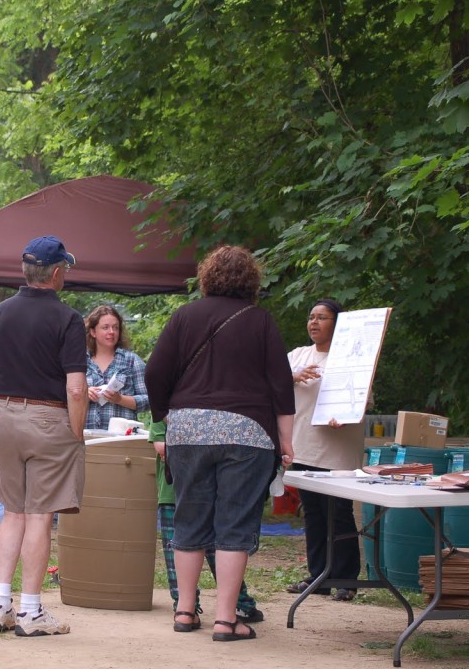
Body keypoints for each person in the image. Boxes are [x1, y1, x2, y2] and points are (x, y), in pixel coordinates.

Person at [145, 244, 294, 642]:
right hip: (248, 433)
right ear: (251, 279)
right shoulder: (260, 320)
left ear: (207, 277)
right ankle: (227, 620)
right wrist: (287, 442)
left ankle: (184, 612)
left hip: (189, 430)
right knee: (235, 523)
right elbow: (282, 387)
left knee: (189, 517)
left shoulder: (184, 316)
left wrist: (167, 416)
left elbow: (155, 372)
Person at [0, 235, 87, 638]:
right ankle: (32, 610)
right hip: (49, 418)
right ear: (56, 273)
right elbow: (76, 388)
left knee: (12, 512)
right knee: (40, 514)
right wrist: (75, 432)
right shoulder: (68, 319)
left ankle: (0, 603)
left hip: (4, 413)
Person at [285, 298, 364, 601]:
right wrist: (292, 375)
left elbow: (362, 399)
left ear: (337, 323)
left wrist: (345, 415)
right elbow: (269, 383)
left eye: (322, 317)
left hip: (337, 447)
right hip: (303, 444)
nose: (314, 323)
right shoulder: (297, 355)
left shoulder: (351, 358)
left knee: (339, 512)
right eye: (311, 317)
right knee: (313, 513)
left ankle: (346, 579)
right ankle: (318, 576)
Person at [148, 421, 265, 625]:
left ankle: (240, 602)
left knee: (219, 550)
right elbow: (159, 444)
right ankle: (185, 607)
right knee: (180, 551)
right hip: (173, 493)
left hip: (206, 494)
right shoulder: (166, 410)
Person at [83, 305, 149, 430]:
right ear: (93, 332)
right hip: (87, 436)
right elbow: (63, 397)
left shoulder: (132, 360)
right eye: (105, 327)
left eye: (116, 327)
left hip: (122, 439)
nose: (111, 332)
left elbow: (149, 400)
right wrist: (84, 394)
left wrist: (120, 399)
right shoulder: (80, 362)